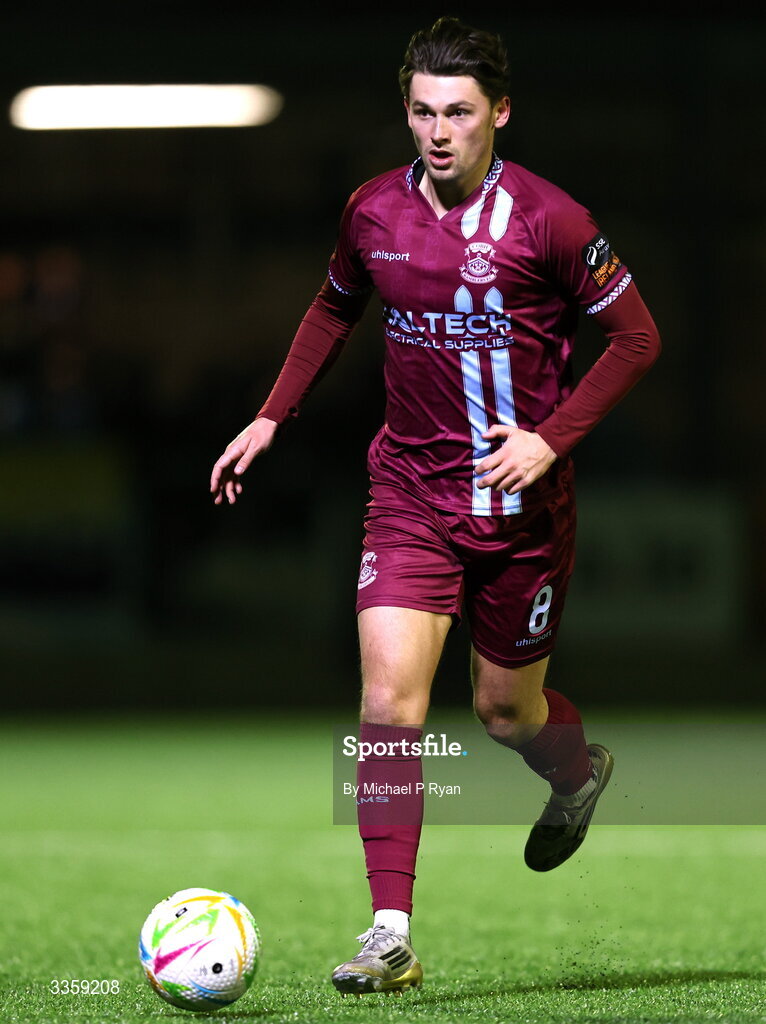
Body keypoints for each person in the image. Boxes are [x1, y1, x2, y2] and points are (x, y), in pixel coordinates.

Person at [210, 16, 660, 997]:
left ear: (499, 112)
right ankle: (389, 931)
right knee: (385, 703)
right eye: (421, 111)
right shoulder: (372, 212)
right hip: (407, 493)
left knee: (505, 713)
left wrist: (548, 439)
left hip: (521, 512)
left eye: (458, 112)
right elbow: (335, 305)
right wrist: (272, 415)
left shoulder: (552, 221)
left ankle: (576, 773)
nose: (438, 131)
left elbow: (634, 338)